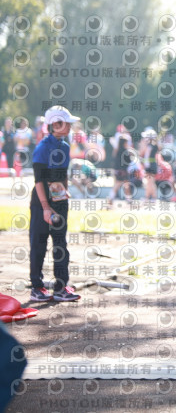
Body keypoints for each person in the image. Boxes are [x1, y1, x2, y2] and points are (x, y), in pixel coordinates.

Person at [29, 106, 81, 302]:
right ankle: (37, 287)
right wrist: (45, 207)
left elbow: (62, 175)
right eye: (67, 123)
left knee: (60, 243)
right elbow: (39, 181)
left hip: (59, 201)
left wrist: (64, 195)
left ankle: (61, 287)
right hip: (41, 201)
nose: (70, 126)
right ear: (55, 124)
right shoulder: (42, 148)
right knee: (39, 243)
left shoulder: (65, 146)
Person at [139, 127, 159, 201]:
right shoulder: (154, 145)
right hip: (151, 164)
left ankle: (149, 197)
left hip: (150, 165)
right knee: (151, 182)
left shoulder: (150, 146)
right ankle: (152, 197)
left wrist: (142, 144)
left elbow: (141, 152)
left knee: (150, 183)